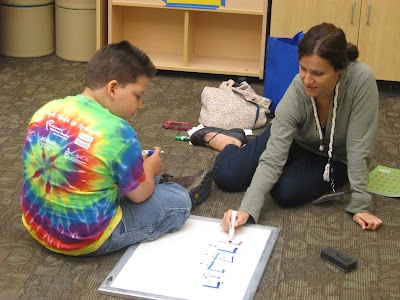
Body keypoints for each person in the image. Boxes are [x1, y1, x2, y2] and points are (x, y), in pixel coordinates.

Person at [21, 41, 212, 256]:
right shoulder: (118, 133)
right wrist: (150, 169)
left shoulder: (46, 111)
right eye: (137, 96)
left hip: (37, 226)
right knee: (177, 201)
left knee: (114, 171)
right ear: (112, 88)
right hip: (86, 240)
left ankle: (150, 180)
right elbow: (139, 197)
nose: (140, 106)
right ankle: (169, 186)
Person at [190, 23, 382, 232]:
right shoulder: (298, 88)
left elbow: (359, 146)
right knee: (227, 177)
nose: (307, 80)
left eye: (318, 73)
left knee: (285, 191)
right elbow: (273, 156)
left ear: (339, 69)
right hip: (295, 141)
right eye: (303, 69)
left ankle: (267, 159)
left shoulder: (361, 79)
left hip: (333, 158)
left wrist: (360, 205)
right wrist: (247, 210)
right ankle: (231, 141)